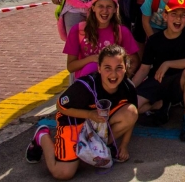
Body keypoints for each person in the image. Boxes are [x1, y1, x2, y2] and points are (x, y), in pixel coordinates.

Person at [26, 45, 138, 176]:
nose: (113, 74)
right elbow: (60, 106)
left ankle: (102, 146)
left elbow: (132, 118)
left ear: (126, 68)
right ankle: (42, 136)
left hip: (97, 123)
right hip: (74, 121)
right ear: (99, 68)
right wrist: (89, 114)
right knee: (63, 173)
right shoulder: (84, 86)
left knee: (132, 112)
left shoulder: (128, 87)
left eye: (119, 68)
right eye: (107, 68)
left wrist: (124, 145)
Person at [133, 0, 185, 141]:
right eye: (174, 14)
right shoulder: (154, 40)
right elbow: (144, 69)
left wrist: (168, 63)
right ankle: (160, 105)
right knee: (131, 107)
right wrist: (128, 89)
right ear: (165, 16)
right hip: (157, 82)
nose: (178, 19)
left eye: (183, 15)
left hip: (179, 84)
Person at [64, 0, 139, 79]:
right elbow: (71, 67)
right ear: (93, 8)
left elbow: (134, 61)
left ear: (115, 9)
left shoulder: (121, 31)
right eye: (100, 6)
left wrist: (122, 80)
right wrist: (92, 59)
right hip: (86, 85)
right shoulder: (78, 30)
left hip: (111, 85)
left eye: (109, 7)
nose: (105, 11)